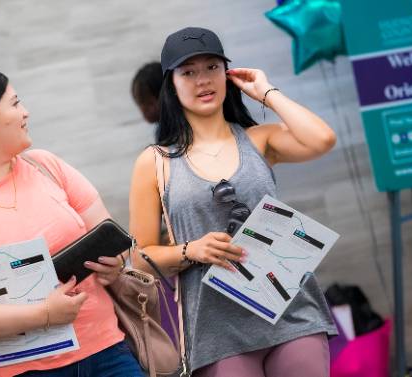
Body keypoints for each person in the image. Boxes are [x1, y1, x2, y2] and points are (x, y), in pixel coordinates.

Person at [129, 27, 338, 377]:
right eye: (188, 72)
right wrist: (190, 250)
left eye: (212, 67)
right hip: (217, 331)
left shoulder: (260, 140)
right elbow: (139, 257)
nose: (202, 80)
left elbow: (323, 139)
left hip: (290, 313)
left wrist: (267, 92)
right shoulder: (154, 162)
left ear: (227, 74)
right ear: (172, 84)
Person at [0, 67, 144, 377]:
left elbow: (107, 233)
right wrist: (42, 315)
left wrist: (113, 265)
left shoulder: (46, 166)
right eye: (16, 103)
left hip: (105, 353)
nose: (26, 112)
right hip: (17, 370)